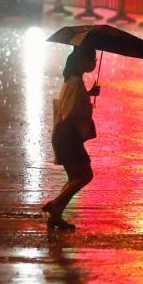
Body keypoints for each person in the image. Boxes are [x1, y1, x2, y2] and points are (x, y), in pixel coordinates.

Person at [41, 46, 99, 230]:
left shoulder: (73, 80)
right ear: (83, 61)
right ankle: (56, 205)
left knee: (75, 176)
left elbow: (71, 101)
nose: (94, 63)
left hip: (65, 136)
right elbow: (70, 112)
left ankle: (56, 215)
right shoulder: (75, 82)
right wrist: (86, 108)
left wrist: (88, 94)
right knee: (84, 175)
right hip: (68, 137)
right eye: (93, 59)